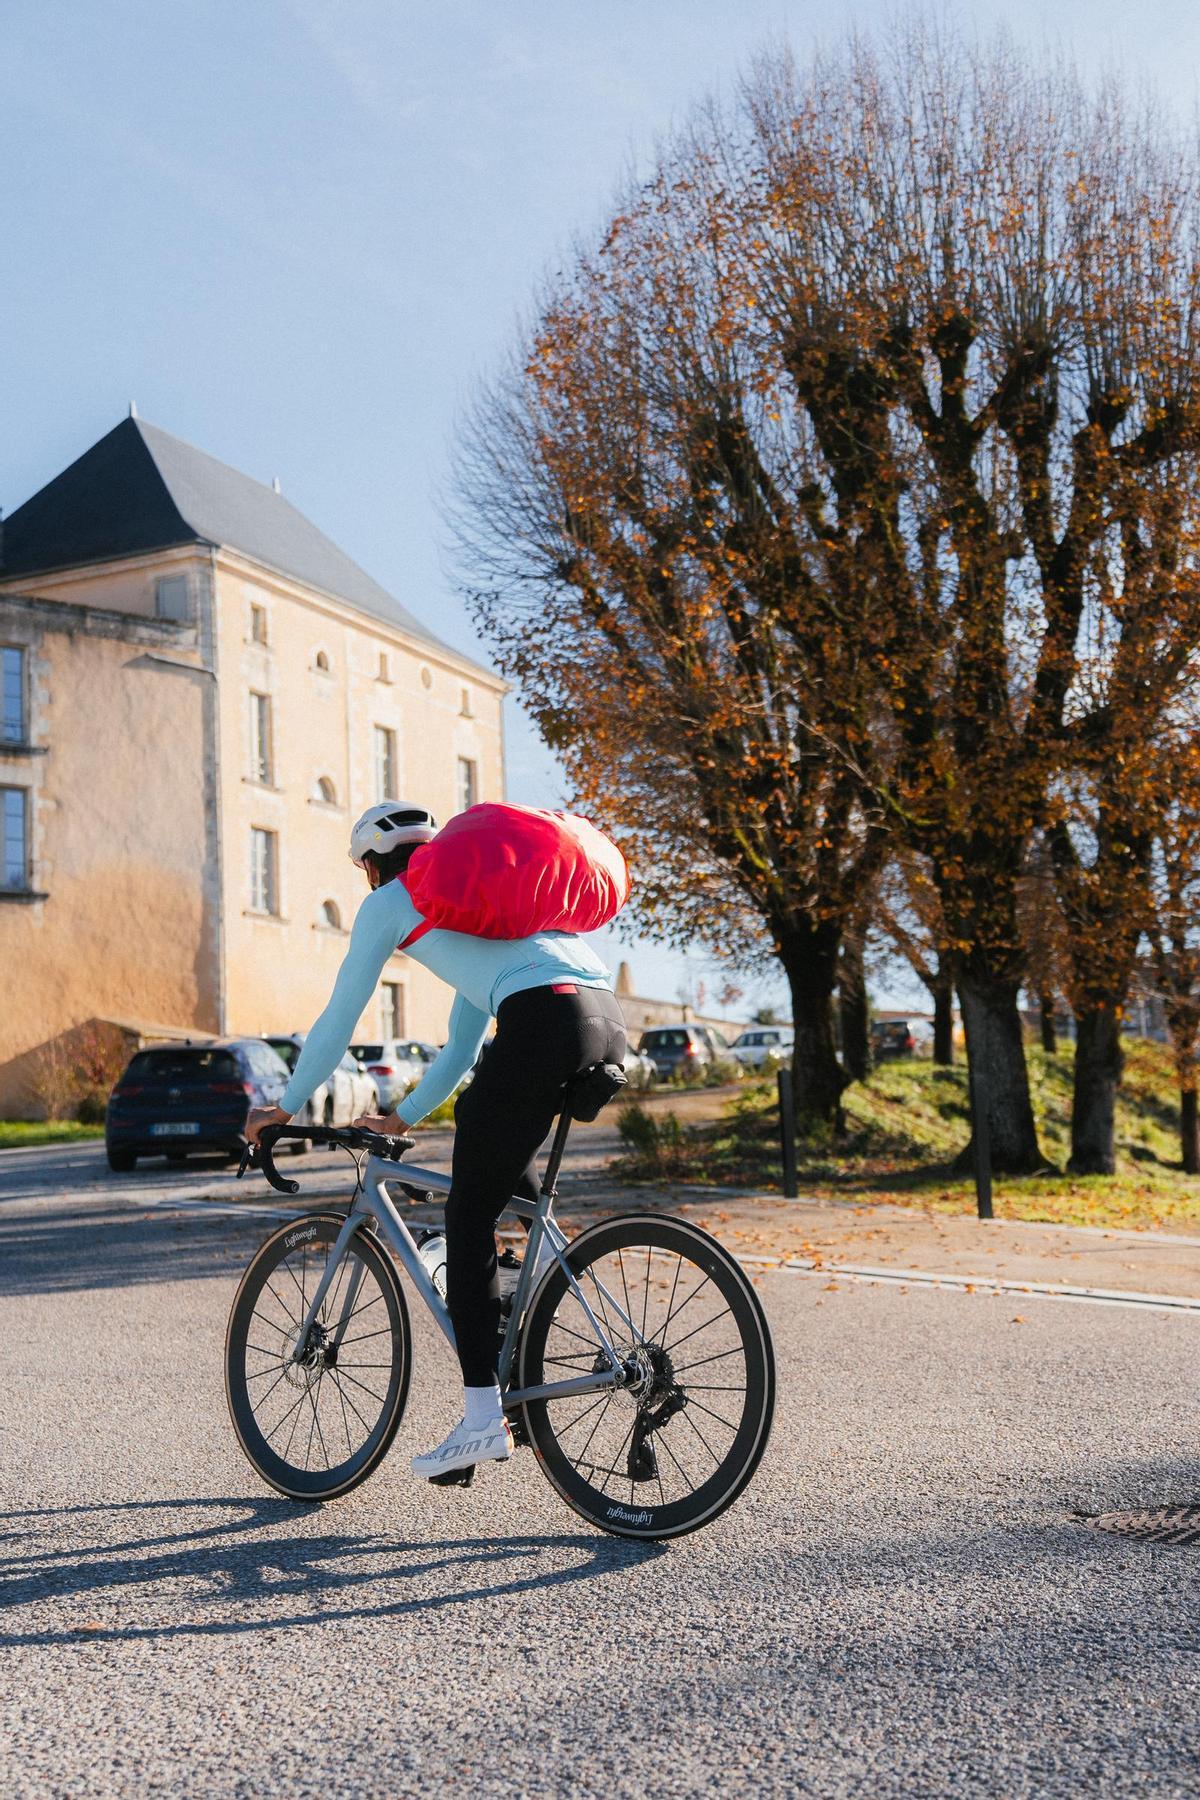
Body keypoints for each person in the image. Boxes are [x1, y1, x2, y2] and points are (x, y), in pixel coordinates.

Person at [246, 801, 626, 1479]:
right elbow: (460, 1047)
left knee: (468, 1213)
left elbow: (340, 1016)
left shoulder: (393, 900)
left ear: (370, 866)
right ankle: (540, 1336)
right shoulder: (480, 907)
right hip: (599, 1020)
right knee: (511, 1186)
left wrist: (285, 1104)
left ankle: (484, 1419)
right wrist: (403, 1117)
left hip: (540, 1022)